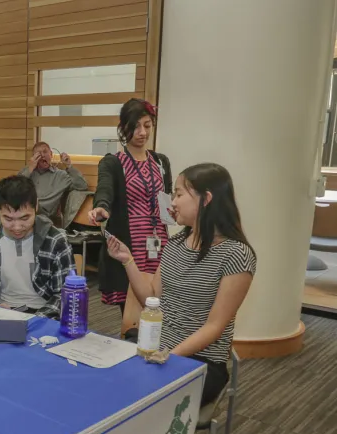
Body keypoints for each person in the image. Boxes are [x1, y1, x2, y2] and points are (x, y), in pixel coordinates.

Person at [106, 163, 256, 405]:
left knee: (140, 398)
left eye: (178, 194)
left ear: (206, 199)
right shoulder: (176, 243)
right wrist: (128, 261)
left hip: (201, 360)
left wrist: (168, 356)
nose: (172, 202)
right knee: (108, 381)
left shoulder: (236, 254)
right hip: (158, 347)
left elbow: (214, 327)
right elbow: (151, 299)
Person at [87, 98, 172, 315]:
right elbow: (104, 189)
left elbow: (167, 200)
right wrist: (101, 208)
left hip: (157, 241)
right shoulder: (113, 162)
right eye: (135, 126)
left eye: (147, 125)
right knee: (133, 308)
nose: (142, 132)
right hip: (130, 240)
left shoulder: (161, 162)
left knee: (159, 303)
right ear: (123, 127)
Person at [0, 176, 75, 318]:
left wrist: (36, 318)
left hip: (46, 314)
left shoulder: (55, 241)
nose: (17, 227)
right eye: (8, 219)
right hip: (3, 313)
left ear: (36, 206)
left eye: (25, 218)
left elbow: (65, 294)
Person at [18, 142, 88, 227]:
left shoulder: (61, 175)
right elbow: (15, 188)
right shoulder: (28, 172)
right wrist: (30, 168)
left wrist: (69, 165)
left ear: (51, 154)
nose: (43, 155)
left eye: (45, 152)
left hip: (45, 216)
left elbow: (82, 186)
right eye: (39, 153)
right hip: (24, 212)